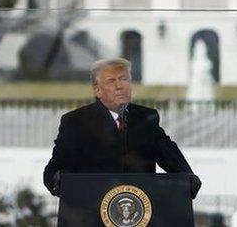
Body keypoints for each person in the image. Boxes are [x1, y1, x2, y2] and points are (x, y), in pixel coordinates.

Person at [43, 58, 202, 198]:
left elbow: (169, 155)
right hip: (92, 214)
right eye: (111, 81)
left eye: (124, 79)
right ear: (97, 90)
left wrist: (187, 177)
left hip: (139, 214)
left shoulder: (146, 118)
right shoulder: (76, 122)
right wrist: (59, 179)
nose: (120, 86)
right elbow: (53, 170)